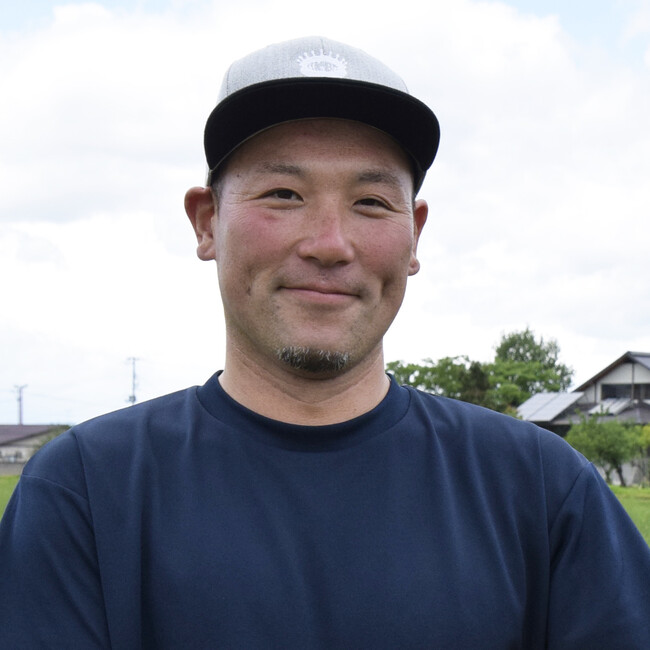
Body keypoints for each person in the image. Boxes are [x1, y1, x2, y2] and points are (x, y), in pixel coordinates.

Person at [1, 35, 649, 649]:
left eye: (371, 202)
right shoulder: (86, 489)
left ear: (415, 234)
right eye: (283, 194)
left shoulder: (540, 488)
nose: (330, 245)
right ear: (207, 222)